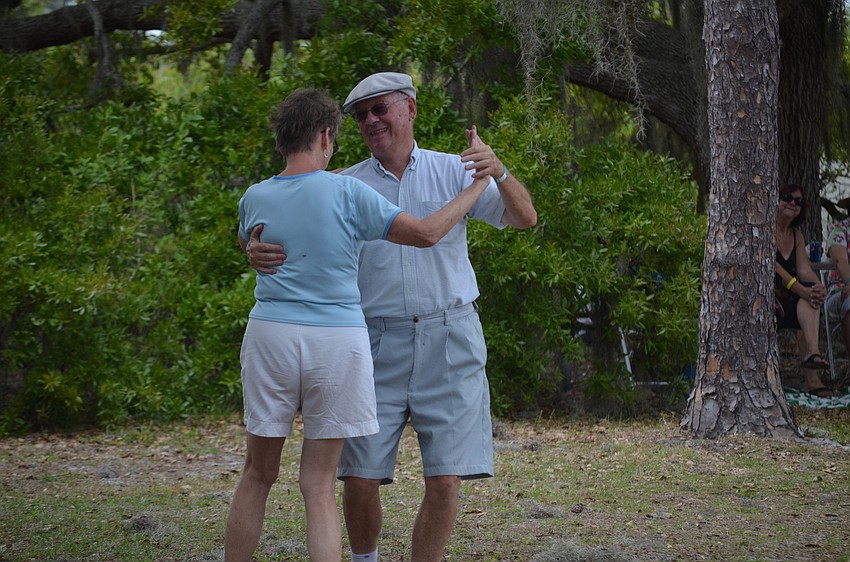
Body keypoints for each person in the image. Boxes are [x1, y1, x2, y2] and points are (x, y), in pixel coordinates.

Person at [246, 72, 537, 562]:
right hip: (372, 342)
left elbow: (525, 218)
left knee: (445, 479)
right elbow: (282, 229)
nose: (371, 121)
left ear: (410, 109)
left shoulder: (458, 171)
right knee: (359, 478)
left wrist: (501, 172)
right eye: (360, 116)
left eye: (380, 109)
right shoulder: (340, 184)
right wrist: (253, 248)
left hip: (451, 335)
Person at [774, 183, 833, 397]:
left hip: (788, 300)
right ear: (776, 199)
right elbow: (777, 270)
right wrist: (803, 290)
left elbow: (804, 270)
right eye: (787, 197)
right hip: (765, 303)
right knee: (805, 295)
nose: (792, 203)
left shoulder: (796, 234)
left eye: (798, 201)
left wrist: (817, 286)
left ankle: (812, 367)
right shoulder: (764, 228)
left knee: (811, 296)